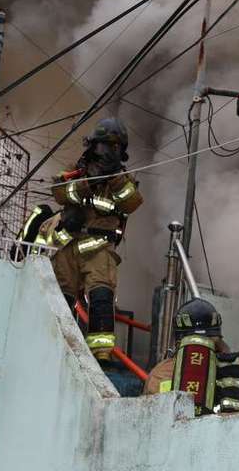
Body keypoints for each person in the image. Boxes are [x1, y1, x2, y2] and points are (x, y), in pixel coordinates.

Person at [18, 116, 144, 396]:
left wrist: (114, 179)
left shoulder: (123, 179)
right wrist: (86, 184)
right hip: (68, 246)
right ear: (93, 146)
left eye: (114, 146)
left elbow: (132, 202)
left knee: (101, 295)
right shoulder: (77, 171)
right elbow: (60, 191)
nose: (108, 151)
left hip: (99, 247)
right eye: (104, 145)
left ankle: (101, 354)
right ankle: (54, 347)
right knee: (60, 299)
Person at [144, 297, 239, 413]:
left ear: (178, 339)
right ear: (217, 338)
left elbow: (147, 420)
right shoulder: (237, 369)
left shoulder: (160, 373)